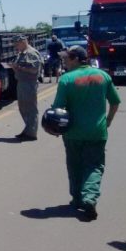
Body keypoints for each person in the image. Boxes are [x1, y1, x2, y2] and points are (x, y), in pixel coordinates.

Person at [50, 46, 121, 221]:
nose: (64, 61)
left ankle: (77, 199)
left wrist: (55, 128)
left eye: (66, 58)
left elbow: (58, 108)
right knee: (94, 166)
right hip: (97, 132)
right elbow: (115, 102)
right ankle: (90, 197)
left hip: (73, 133)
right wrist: (108, 121)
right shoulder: (103, 76)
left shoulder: (67, 79)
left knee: (75, 166)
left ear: (75, 59)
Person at [11, 34, 43, 141]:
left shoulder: (31, 53)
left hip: (29, 83)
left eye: (17, 43)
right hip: (22, 82)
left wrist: (19, 67)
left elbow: (34, 70)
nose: (15, 45)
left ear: (23, 41)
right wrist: (14, 67)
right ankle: (28, 130)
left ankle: (32, 133)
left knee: (30, 108)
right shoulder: (22, 53)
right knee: (23, 108)